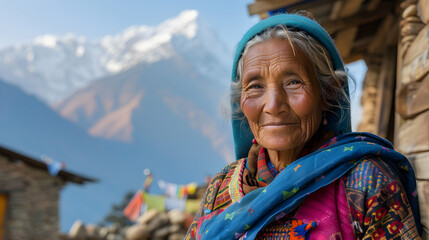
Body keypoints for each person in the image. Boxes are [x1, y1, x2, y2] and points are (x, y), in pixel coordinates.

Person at [185, 14, 422, 240]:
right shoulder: (221, 186)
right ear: (240, 102)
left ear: (328, 92)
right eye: (255, 86)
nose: (273, 105)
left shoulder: (366, 180)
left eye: (294, 82)